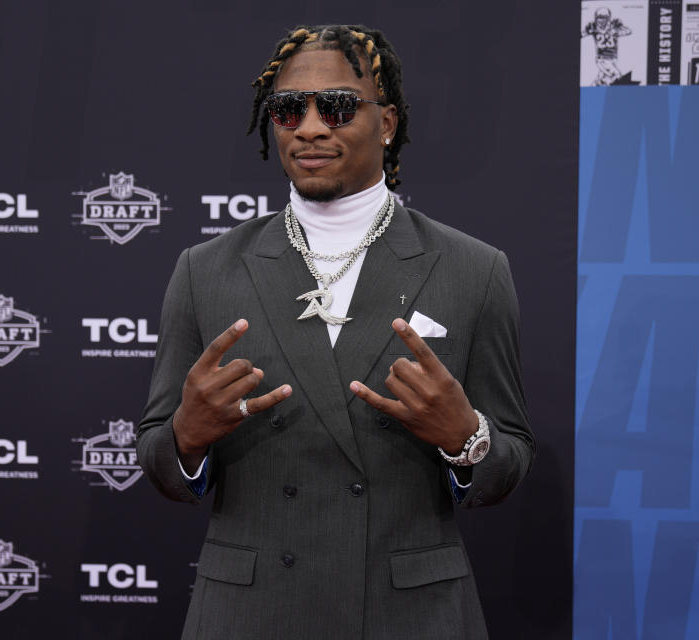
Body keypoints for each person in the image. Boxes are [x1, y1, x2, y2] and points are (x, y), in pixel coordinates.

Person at [138, 24, 534, 639]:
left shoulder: (473, 269)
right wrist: (186, 440)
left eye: (339, 106)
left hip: (408, 614)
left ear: (387, 124)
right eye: (289, 109)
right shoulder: (205, 269)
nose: (312, 127)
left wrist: (466, 438)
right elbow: (159, 462)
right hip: (251, 613)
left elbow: (508, 461)